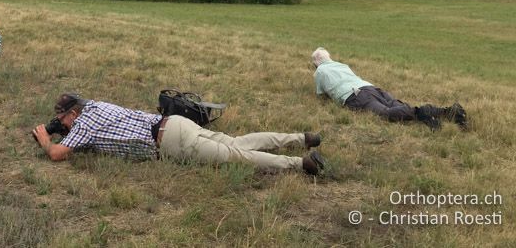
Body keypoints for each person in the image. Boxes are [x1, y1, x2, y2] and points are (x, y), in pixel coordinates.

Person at [32, 93, 326, 175]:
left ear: (73, 114)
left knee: (237, 156)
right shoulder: (95, 105)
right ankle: (300, 138)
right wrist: (61, 128)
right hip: (174, 123)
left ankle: (301, 165)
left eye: (63, 120)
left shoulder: (84, 124)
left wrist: (47, 140)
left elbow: (58, 154)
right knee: (237, 141)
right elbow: (90, 140)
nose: (63, 125)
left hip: (170, 142)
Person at [311, 47, 467, 130]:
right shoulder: (341, 64)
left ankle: (423, 112)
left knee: (386, 114)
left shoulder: (319, 71)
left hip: (356, 96)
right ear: (329, 58)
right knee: (397, 106)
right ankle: (447, 112)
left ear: (316, 63)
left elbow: (321, 95)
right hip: (370, 87)